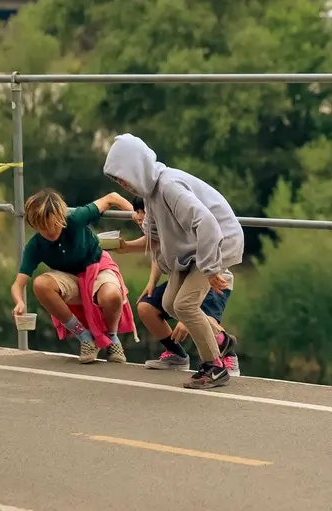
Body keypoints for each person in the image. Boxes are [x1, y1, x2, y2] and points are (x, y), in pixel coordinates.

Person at [103, 133, 245, 389]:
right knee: (169, 303)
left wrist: (212, 269)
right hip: (195, 249)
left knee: (185, 304)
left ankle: (214, 368)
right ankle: (222, 343)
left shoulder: (169, 186)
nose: (121, 182)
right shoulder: (150, 193)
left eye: (122, 175)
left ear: (136, 167)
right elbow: (154, 237)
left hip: (218, 244)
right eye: (116, 178)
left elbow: (207, 223)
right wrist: (126, 245)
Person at [10, 188, 138, 363]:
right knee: (40, 284)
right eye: (42, 228)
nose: (49, 231)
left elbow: (111, 198)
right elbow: (18, 283)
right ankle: (85, 338)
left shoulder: (76, 219)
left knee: (112, 295)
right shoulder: (35, 246)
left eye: (53, 224)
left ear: (61, 217)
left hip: (97, 266)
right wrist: (19, 301)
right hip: (70, 278)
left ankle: (112, 338)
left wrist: (137, 216)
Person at [117, 197, 240, 376]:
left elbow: (195, 270)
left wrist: (185, 316)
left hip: (211, 279)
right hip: (181, 280)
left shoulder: (175, 229)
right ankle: (176, 356)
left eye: (141, 212)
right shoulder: (155, 229)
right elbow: (156, 253)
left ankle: (228, 355)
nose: (137, 216)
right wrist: (151, 282)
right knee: (146, 307)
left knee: (200, 317)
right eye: (136, 212)